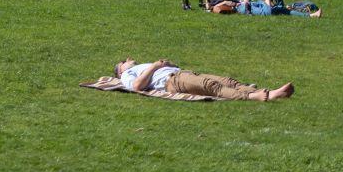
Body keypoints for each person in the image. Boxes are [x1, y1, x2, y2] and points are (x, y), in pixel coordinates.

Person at [114, 56, 293, 102]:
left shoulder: (138, 67)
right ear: (120, 68)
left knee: (227, 81)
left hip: (182, 73)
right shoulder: (126, 75)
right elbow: (137, 86)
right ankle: (254, 97)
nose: (129, 60)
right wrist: (155, 66)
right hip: (172, 82)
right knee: (211, 86)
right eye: (125, 61)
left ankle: (269, 92)